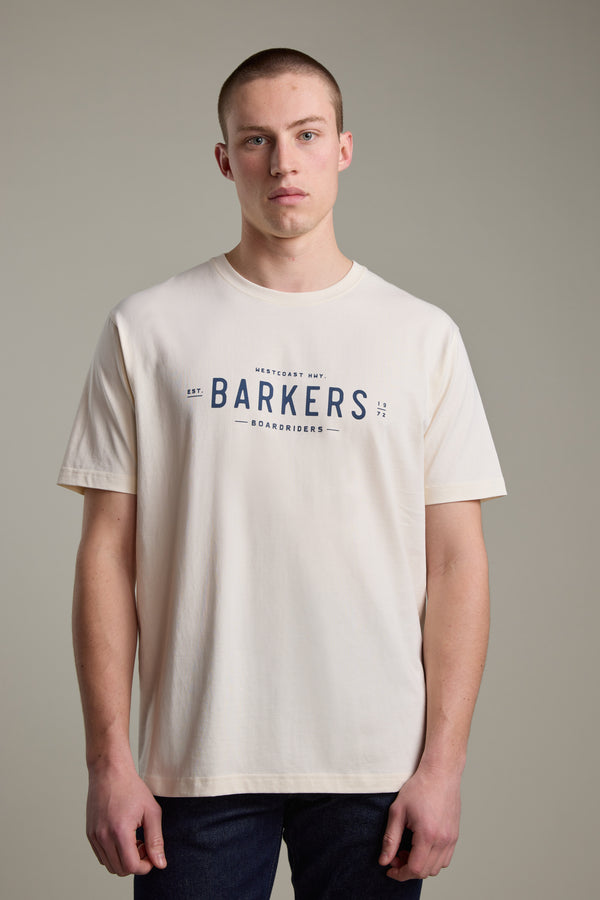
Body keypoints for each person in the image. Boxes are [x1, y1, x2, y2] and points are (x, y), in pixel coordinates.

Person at [58, 48, 506, 899]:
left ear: (343, 148)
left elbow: (457, 563)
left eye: (305, 134)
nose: (283, 161)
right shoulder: (148, 328)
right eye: (257, 140)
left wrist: (442, 768)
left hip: (377, 769)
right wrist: (109, 760)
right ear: (226, 159)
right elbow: (106, 556)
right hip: (196, 767)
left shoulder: (421, 338)